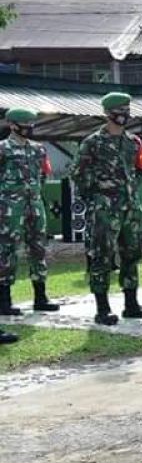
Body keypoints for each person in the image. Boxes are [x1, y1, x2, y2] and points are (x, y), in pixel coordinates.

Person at [71, 92, 142, 324]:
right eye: (119, 111)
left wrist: (131, 186)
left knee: (133, 253)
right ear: (107, 113)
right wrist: (98, 193)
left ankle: (131, 304)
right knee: (102, 256)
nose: (123, 115)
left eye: (127, 110)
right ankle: (103, 308)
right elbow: (77, 173)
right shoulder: (92, 142)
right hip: (104, 208)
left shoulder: (133, 142)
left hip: (130, 206)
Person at [0, 108, 59, 318]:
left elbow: (43, 174)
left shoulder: (38, 149)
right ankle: (4, 300)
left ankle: (41, 298)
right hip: (9, 207)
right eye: (25, 124)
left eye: (31, 124)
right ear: (13, 125)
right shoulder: (3, 149)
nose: (29, 128)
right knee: (7, 251)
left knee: (38, 248)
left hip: (35, 204)